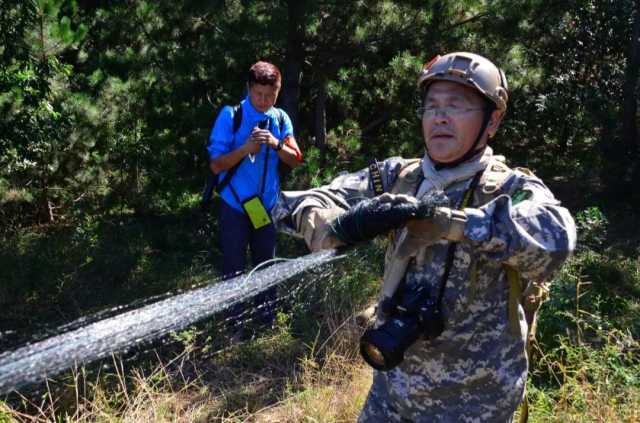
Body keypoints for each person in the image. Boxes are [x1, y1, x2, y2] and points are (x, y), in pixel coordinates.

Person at [272, 52, 576, 422]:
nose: (440, 117)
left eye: (456, 105)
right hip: (391, 395)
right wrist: (339, 225)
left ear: (492, 120)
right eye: (431, 106)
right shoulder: (397, 177)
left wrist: (455, 225)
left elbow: (558, 241)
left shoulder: (510, 189)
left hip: (474, 407)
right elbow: (291, 206)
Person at [208, 60, 303, 325]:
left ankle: (266, 322)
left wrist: (274, 144)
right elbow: (216, 165)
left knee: (266, 267)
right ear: (249, 89)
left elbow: (295, 158)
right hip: (235, 207)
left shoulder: (280, 118)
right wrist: (245, 149)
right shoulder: (232, 115)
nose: (263, 100)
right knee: (234, 269)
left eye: (270, 95)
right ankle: (234, 327)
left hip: (266, 207)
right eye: (258, 94)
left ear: (278, 90)